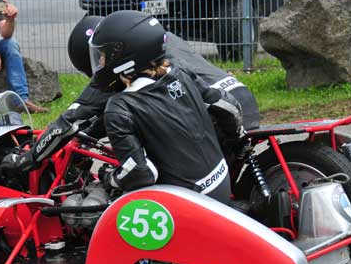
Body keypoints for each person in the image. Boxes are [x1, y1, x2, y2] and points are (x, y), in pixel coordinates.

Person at [2, 13, 256, 173]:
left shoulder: (129, 62)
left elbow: (72, 118)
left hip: (217, 118)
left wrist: (30, 157)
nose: (98, 66)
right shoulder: (156, 42)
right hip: (236, 98)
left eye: (99, 58)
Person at [91, 10, 243, 203]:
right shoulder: (180, 73)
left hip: (187, 206)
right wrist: (231, 142)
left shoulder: (120, 106)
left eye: (104, 55)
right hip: (221, 183)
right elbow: (228, 107)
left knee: (107, 213)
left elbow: (141, 173)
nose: (101, 62)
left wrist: (110, 178)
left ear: (125, 56)